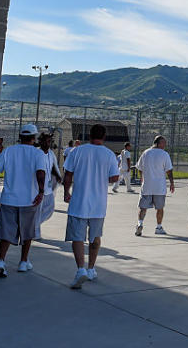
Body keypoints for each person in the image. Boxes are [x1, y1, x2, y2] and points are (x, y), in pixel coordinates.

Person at [0, 124, 48, 277]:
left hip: (9, 199)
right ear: (34, 138)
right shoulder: (38, 154)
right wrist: (41, 191)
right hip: (29, 200)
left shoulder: (9, 151)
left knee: (6, 233)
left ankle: (1, 261)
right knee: (27, 233)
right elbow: (40, 173)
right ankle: (23, 262)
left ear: (20, 137)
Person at [63, 123, 120, 289]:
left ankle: (80, 269)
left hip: (79, 202)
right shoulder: (109, 154)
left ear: (89, 135)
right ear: (104, 137)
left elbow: (68, 174)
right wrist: (101, 177)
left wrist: (66, 192)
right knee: (95, 237)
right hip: (98, 204)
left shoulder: (77, 151)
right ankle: (91, 268)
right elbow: (114, 178)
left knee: (77, 237)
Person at [135, 135, 175, 236]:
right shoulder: (164, 154)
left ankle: (140, 223)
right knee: (160, 208)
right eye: (163, 143)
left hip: (147, 186)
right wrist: (172, 183)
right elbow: (169, 171)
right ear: (158, 143)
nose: (165, 145)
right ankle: (158, 227)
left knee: (143, 208)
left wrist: (142, 178)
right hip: (159, 187)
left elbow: (140, 168)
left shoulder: (146, 153)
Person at [36, 131, 62, 229]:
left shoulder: (50, 154)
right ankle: (34, 231)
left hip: (48, 187)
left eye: (49, 141)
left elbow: (52, 167)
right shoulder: (37, 153)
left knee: (49, 210)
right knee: (37, 211)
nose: (48, 143)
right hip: (38, 188)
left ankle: (34, 225)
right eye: (46, 141)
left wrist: (58, 177)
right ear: (41, 142)